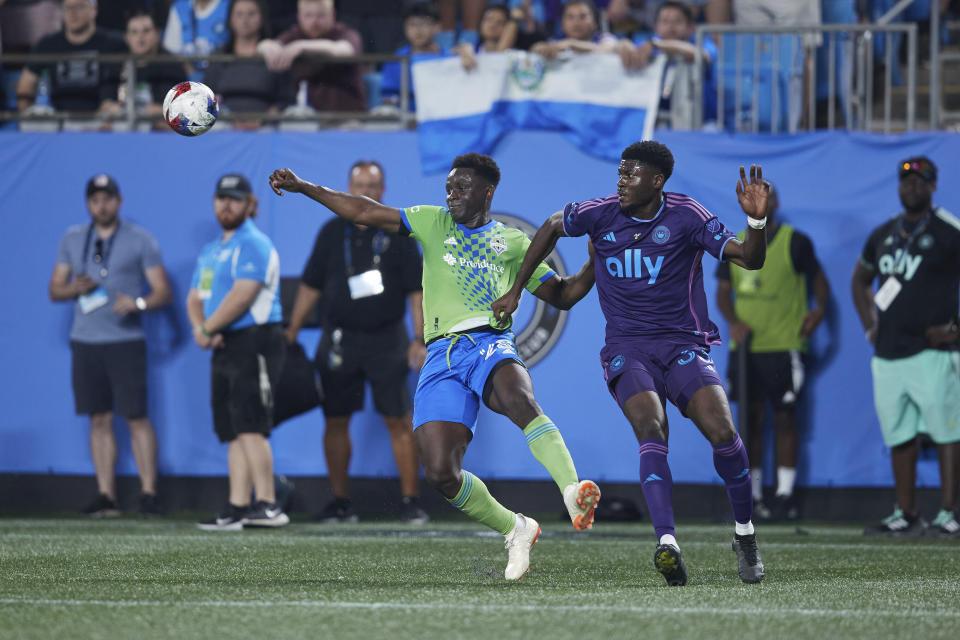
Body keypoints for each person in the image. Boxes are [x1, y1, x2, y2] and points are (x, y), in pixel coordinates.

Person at [269, 153, 601, 580]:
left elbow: (564, 294)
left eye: (460, 188)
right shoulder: (431, 222)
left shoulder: (513, 243)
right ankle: (516, 528)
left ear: (487, 192)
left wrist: (593, 263)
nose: (451, 195)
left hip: (488, 342)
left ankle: (572, 491)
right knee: (442, 473)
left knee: (520, 399)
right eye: (448, 188)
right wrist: (305, 186)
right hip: (441, 356)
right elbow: (363, 210)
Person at [494, 141, 770, 586]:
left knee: (723, 433)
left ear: (657, 181)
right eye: (619, 173)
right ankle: (667, 542)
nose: (621, 182)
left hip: (683, 345)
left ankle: (745, 535)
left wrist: (756, 221)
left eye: (631, 175)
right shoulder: (600, 213)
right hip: (628, 348)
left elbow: (750, 258)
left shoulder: (688, 215)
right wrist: (516, 290)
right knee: (651, 426)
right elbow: (548, 225)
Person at [285, 160, 429, 524]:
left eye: (373, 185)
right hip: (339, 340)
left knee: (399, 420)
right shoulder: (331, 232)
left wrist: (420, 339)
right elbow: (310, 286)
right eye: (358, 183)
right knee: (335, 420)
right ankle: (340, 502)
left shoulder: (400, 235)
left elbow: (417, 293)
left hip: (388, 339)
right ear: (347, 188)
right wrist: (291, 332)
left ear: (384, 190)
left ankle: (411, 501)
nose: (366, 190)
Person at [49, 174, 173, 517]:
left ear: (119, 201)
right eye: (95, 200)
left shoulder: (140, 240)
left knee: (136, 417)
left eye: (107, 198)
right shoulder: (73, 239)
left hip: (125, 341)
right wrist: (75, 288)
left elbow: (162, 291)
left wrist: (140, 304)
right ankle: (106, 495)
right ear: (88, 204)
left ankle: (149, 494)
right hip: (86, 341)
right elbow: (54, 289)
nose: (101, 205)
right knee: (98, 419)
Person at [851, 156, 960, 538]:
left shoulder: (949, 231)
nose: (910, 189)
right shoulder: (884, 233)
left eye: (919, 182)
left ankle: (950, 513)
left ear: (933, 186)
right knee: (899, 434)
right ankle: (907, 512)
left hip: (934, 351)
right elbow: (859, 281)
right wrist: (870, 327)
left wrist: (956, 330)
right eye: (905, 182)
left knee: (947, 431)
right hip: (889, 351)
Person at [715, 181, 831, 521]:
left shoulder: (797, 242)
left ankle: (784, 495)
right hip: (746, 348)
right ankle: (752, 497)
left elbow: (819, 280)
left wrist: (819, 310)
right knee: (749, 422)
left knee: (785, 419)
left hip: (784, 344)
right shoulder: (735, 242)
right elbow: (723, 292)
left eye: (770, 196)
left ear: (774, 202)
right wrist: (733, 320)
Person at [189, 173, 289, 531]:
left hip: (256, 340)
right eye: (221, 198)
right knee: (232, 428)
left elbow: (243, 295)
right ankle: (237, 505)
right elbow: (195, 297)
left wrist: (207, 328)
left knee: (251, 424)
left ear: (250, 204)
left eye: (234, 198)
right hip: (225, 342)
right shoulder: (212, 250)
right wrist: (202, 330)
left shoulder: (254, 244)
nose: (226, 205)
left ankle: (268, 504)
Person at [615, 1, 719, 128]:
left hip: (702, 123)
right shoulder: (647, 44)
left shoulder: (702, 42)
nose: (671, 26)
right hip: (657, 122)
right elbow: (628, 52)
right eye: (665, 21)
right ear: (656, 28)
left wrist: (657, 45)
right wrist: (622, 45)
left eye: (677, 21)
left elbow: (702, 56)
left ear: (690, 28)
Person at [15, 0, 126, 116]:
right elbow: (25, 85)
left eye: (79, 7)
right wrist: (26, 119)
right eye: (68, 8)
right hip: (57, 119)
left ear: (94, 10)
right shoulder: (47, 45)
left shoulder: (115, 43)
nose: (73, 13)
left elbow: (131, 78)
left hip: (102, 119)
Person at [257, 0, 366, 112]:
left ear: (332, 15)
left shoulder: (347, 34)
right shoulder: (296, 34)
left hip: (346, 118)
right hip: (306, 119)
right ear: (299, 17)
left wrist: (301, 46)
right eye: (308, 15)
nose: (314, 21)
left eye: (321, 15)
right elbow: (269, 45)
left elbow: (344, 50)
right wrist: (266, 46)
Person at [202, 0, 294, 130]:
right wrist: (231, 121)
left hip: (266, 126)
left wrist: (262, 120)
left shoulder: (274, 55)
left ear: (262, 18)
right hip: (224, 124)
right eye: (239, 14)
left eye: (251, 14)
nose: (245, 20)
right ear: (230, 19)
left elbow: (285, 99)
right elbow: (207, 96)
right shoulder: (218, 56)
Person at [110, 11, 186, 130]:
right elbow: (106, 104)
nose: (140, 37)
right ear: (127, 38)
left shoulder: (172, 66)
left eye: (146, 31)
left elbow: (174, 111)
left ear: (157, 34)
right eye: (134, 32)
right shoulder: (115, 66)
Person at [381, 2, 448, 112]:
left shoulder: (449, 59)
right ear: (405, 28)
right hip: (405, 122)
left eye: (424, 24)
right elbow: (388, 98)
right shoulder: (397, 60)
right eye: (412, 25)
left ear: (437, 27)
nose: (418, 30)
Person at [530, 0, 618, 61]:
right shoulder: (556, 42)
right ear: (562, 25)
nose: (576, 23)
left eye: (583, 16)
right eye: (570, 17)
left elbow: (609, 49)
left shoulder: (605, 38)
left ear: (595, 23)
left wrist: (572, 44)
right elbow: (537, 50)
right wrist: (539, 49)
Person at [162, 0, 230, 58]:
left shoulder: (229, 5)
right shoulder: (179, 7)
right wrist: (191, 72)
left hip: (223, 69)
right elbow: (173, 51)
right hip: (184, 71)